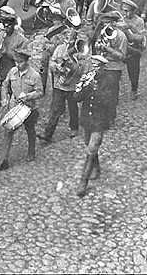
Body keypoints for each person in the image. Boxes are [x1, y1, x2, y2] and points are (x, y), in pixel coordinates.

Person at [0, 46, 44, 173]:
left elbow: (40, 92)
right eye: (16, 61)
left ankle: (31, 151)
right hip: (14, 106)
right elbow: (5, 84)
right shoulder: (12, 71)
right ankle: (3, 161)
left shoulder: (35, 75)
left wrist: (28, 96)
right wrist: (4, 98)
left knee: (30, 129)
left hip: (29, 108)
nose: (17, 64)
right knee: (8, 131)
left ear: (26, 61)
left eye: (20, 62)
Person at [74, 55, 114, 197]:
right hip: (87, 119)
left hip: (100, 121)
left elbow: (109, 101)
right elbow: (76, 98)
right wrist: (81, 88)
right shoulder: (87, 77)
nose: (94, 69)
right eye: (93, 66)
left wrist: (95, 89)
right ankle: (96, 169)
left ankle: (83, 183)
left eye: (97, 66)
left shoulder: (109, 80)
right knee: (89, 145)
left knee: (91, 149)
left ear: (103, 67)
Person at [41, 29, 85, 143]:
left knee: (73, 108)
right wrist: (56, 67)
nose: (69, 40)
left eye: (71, 38)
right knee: (56, 109)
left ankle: (74, 128)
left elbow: (82, 69)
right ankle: (48, 135)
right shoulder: (60, 48)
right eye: (67, 38)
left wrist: (72, 64)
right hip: (59, 85)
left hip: (72, 86)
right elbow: (52, 62)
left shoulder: (80, 51)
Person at [90, 11, 127, 121]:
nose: (105, 26)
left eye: (107, 24)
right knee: (99, 93)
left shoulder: (121, 36)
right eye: (104, 24)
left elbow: (122, 56)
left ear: (114, 23)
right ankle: (101, 117)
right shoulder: (102, 34)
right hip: (102, 67)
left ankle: (111, 118)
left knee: (111, 95)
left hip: (114, 69)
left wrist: (108, 49)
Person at [118, 0, 146, 100]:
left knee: (133, 72)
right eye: (124, 11)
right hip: (121, 48)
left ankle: (134, 90)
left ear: (133, 11)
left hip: (132, 50)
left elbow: (140, 37)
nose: (125, 14)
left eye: (127, 11)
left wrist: (129, 29)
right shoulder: (120, 19)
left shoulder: (139, 21)